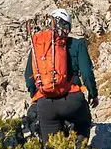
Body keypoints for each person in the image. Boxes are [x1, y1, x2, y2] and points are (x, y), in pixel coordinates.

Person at [24, 9, 99, 140]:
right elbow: (87, 74)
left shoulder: (38, 47)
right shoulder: (77, 44)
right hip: (72, 99)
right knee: (83, 124)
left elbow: (29, 79)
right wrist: (93, 95)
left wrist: (39, 95)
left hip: (46, 103)